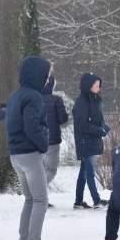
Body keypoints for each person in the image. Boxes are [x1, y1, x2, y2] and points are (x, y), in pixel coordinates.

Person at [6, 56, 53, 240]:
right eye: (46, 74)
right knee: (41, 200)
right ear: (38, 74)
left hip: (16, 154)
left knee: (30, 199)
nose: (48, 79)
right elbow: (32, 126)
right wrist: (43, 144)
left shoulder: (16, 95)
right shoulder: (34, 97)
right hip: (30, 154)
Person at [72, 73, 110, 209]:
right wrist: (100, 130)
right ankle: (96, 200)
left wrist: (104, 127)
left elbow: (97, 120)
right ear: (88, 86)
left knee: (83, 173)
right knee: (89, 172)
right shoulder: (82, 102)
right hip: (84, 141)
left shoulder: (95, 99)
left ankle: (78, 201)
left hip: (91, 140)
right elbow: (82, 125)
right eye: (95, 85)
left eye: (99, 86)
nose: (98, 88)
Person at [41, 74, 69, 206]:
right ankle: (38, 193)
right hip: (52, 140)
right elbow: (63, 119)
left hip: (36, 140)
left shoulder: (33, 99)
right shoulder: (56, 100)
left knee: (40, 169)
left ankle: (39, 197)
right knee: (50, 170)